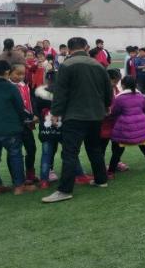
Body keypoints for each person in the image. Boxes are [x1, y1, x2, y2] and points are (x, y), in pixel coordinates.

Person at [42, 37, 113, 203]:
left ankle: (65, 190)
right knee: (94, 148)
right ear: (86, 47)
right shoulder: (98, 65)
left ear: (68, 48)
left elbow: (61, 92)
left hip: (75, 116)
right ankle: (101, 180)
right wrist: (107, 105)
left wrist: (55, 113)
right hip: (96, 115)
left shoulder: (66, 65)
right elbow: (107, 88)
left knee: (70, 152)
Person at [0, 60, 32, 196]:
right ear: (6, 72)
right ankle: (19, 186)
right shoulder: (11, 88)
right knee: (15, 156)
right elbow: (20, 108)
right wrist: (28, 120)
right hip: (10, 129)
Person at [108, 76, 145, 175]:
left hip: (125, 128)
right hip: (140, 127)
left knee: (117, 149)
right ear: (135, 84)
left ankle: (111, 172)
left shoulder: (119, 98)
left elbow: (114, 112)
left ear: (122, 85)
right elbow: (144, 110)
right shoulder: (141, 96)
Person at [9, 63, 39, 184]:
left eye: (23, 74)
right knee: (14, 151)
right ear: (9, 73)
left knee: (31, 148)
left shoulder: (25, 86)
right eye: (18, 73)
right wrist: (30, 116)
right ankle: (17, 178)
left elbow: (31, 102)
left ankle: (30, 174)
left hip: (27, 124)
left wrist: (35, 114)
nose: (21, 76)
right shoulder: (8, 87)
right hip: (14, 124)